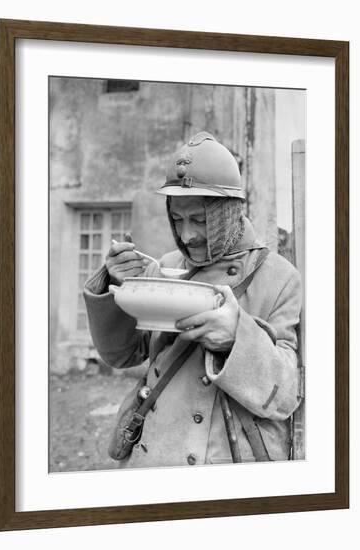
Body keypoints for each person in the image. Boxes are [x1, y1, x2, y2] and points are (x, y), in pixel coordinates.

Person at [83, 131, 302, 468]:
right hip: (153, 460)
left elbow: (286, 395)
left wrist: (236, 338)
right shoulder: (168, 266)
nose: (187, 235)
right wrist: (114, 283)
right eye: (177, 220)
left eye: (200, 220)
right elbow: (122, 355)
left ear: (229, 212)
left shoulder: (279, 277)